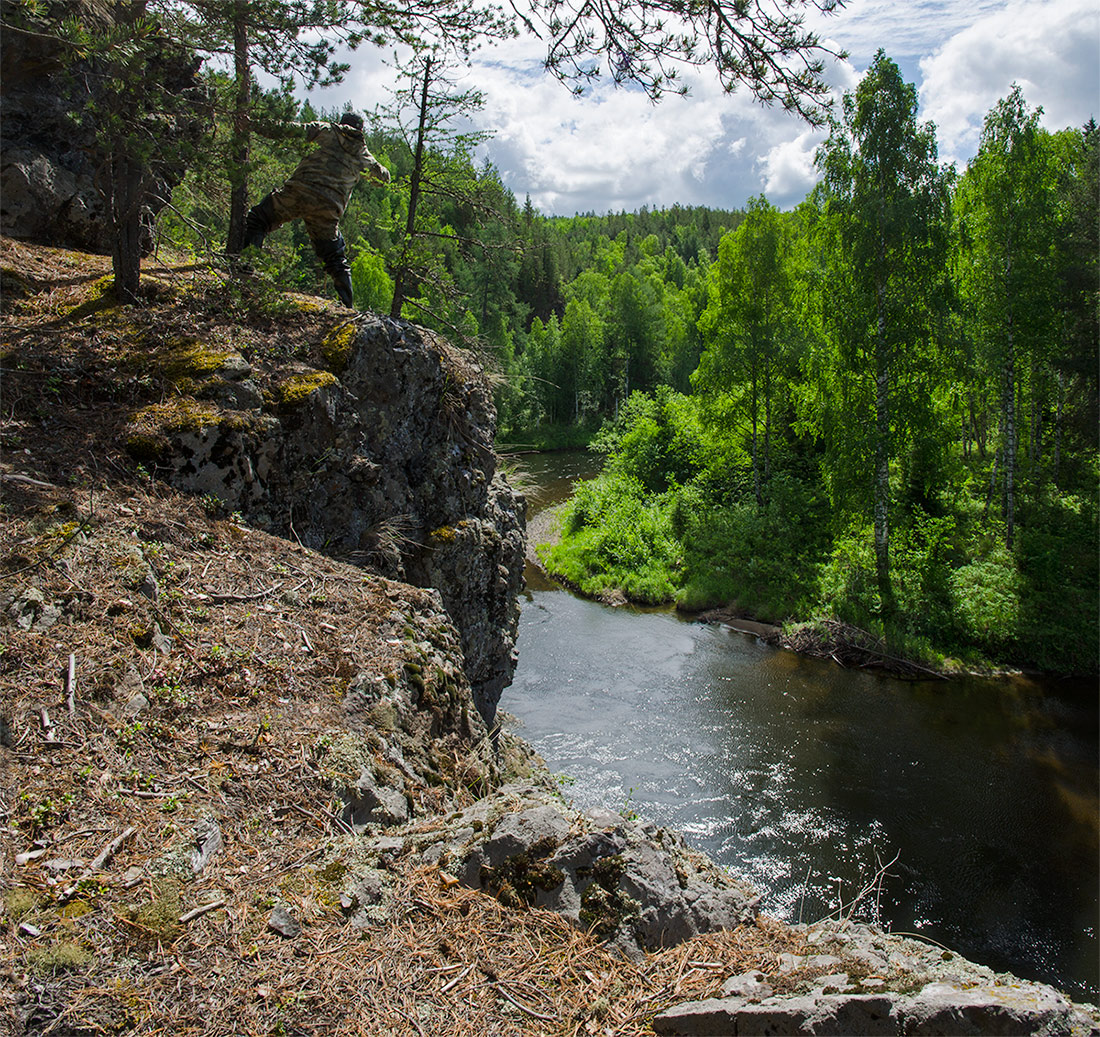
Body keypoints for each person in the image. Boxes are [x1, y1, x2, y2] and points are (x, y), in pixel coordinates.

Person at [241, 111, 390, 308]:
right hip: (327, 209)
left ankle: (244, 271)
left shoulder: (324, 130)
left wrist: (253, 124)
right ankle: (347, 308)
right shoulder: (363, 155)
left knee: (258, 219)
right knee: (335, 258)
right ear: (361, 131)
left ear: (341, 123)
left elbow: (288, 129)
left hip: (297, 193)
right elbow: (384, 179)